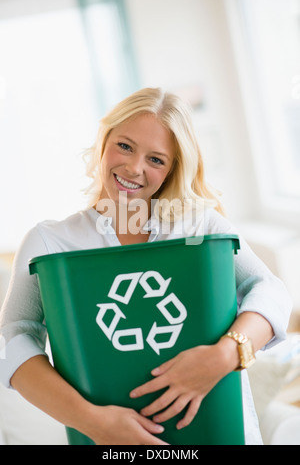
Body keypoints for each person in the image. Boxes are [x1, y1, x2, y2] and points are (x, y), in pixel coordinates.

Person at [0, 88, 292, 445]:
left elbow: (270, 289)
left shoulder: (200, 228)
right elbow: (13, 338)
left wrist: (225, 355)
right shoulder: (51, 241)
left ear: (172, 169)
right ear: (104, 142)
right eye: (125, 146)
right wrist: (93, 422)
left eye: (156, 159)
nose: (134, 168)